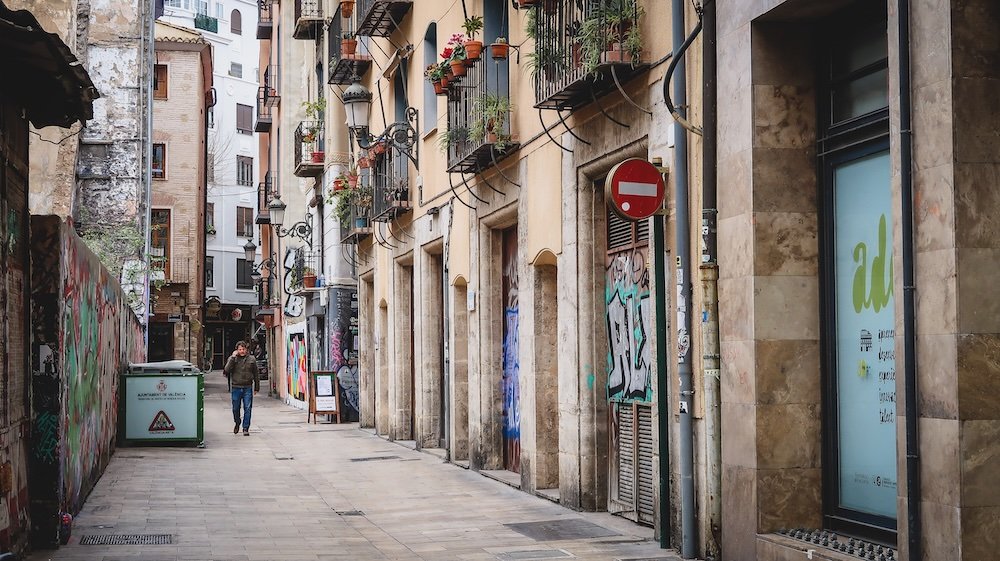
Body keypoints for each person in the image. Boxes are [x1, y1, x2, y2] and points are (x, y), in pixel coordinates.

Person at [223, 341, 259, 436]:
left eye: (243, 349)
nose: (242, 351)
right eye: (240, 349)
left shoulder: (252, 359)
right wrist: (233, 357)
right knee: (235, 408)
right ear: (237, 350)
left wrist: (257, 387)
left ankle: (245, 428)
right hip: (236, 387)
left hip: (247, 387)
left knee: (247, 408)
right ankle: (237, 422)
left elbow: (256, 374)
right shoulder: (233, 359)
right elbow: (226, 370)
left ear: (246, 350)